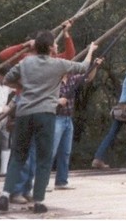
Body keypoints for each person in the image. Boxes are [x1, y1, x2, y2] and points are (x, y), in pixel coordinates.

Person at [0, 31, 97, 214]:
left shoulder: (25, 62)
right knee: (44, 159)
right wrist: (90, 51)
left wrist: (23, 88)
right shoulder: (58, 64)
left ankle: (4, 194)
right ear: (50, 48)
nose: (57, 47)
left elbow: (8, 79)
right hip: (45, 114)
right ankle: (38, 201)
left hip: (24, 113)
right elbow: (83, 67)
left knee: (18, 156)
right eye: (55, 45)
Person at [50, 56, 103, 190]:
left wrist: (95, 66)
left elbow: (88, 78)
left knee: (65, 152)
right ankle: (41, 182)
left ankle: (61, 181)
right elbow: (44, 99)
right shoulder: (53, 81)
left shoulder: (73, 79)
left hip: (68, 118)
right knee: (51, 151)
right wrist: (57, 101)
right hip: (56, 118)